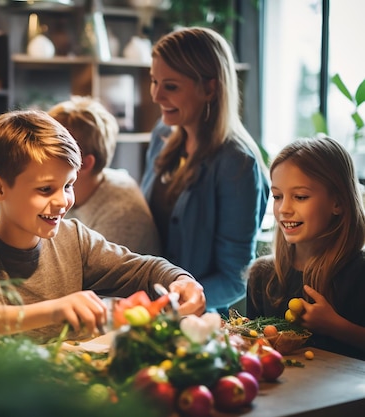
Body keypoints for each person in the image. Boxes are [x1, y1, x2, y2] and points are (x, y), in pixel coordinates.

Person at [0, 109, 206, 343]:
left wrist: (181, 280)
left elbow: (145, 270)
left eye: (68, 185)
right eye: (46, 189)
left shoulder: (75, 238)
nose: (62, 201)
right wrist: (55, 310)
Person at [140, 27, 269, 313]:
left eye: (171, 86)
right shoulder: (162, 136)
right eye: (154, 81)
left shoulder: (237, 164)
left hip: (197, 324)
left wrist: (174, 305)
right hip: (150, 311)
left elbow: (234, 278)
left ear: (210, 88)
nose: (156, 95)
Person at [246, 136, 365, 360]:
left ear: (337, 203)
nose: (284, 209)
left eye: (300, 197)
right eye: (278, 196)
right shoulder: (262, 275)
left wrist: (336, 327)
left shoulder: (360, 273)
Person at [48, 96, 161, 255]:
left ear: (85, 164)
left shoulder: (121, 216)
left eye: (53, 153)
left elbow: (85, 276)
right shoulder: (78, 189)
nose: (42, 159)